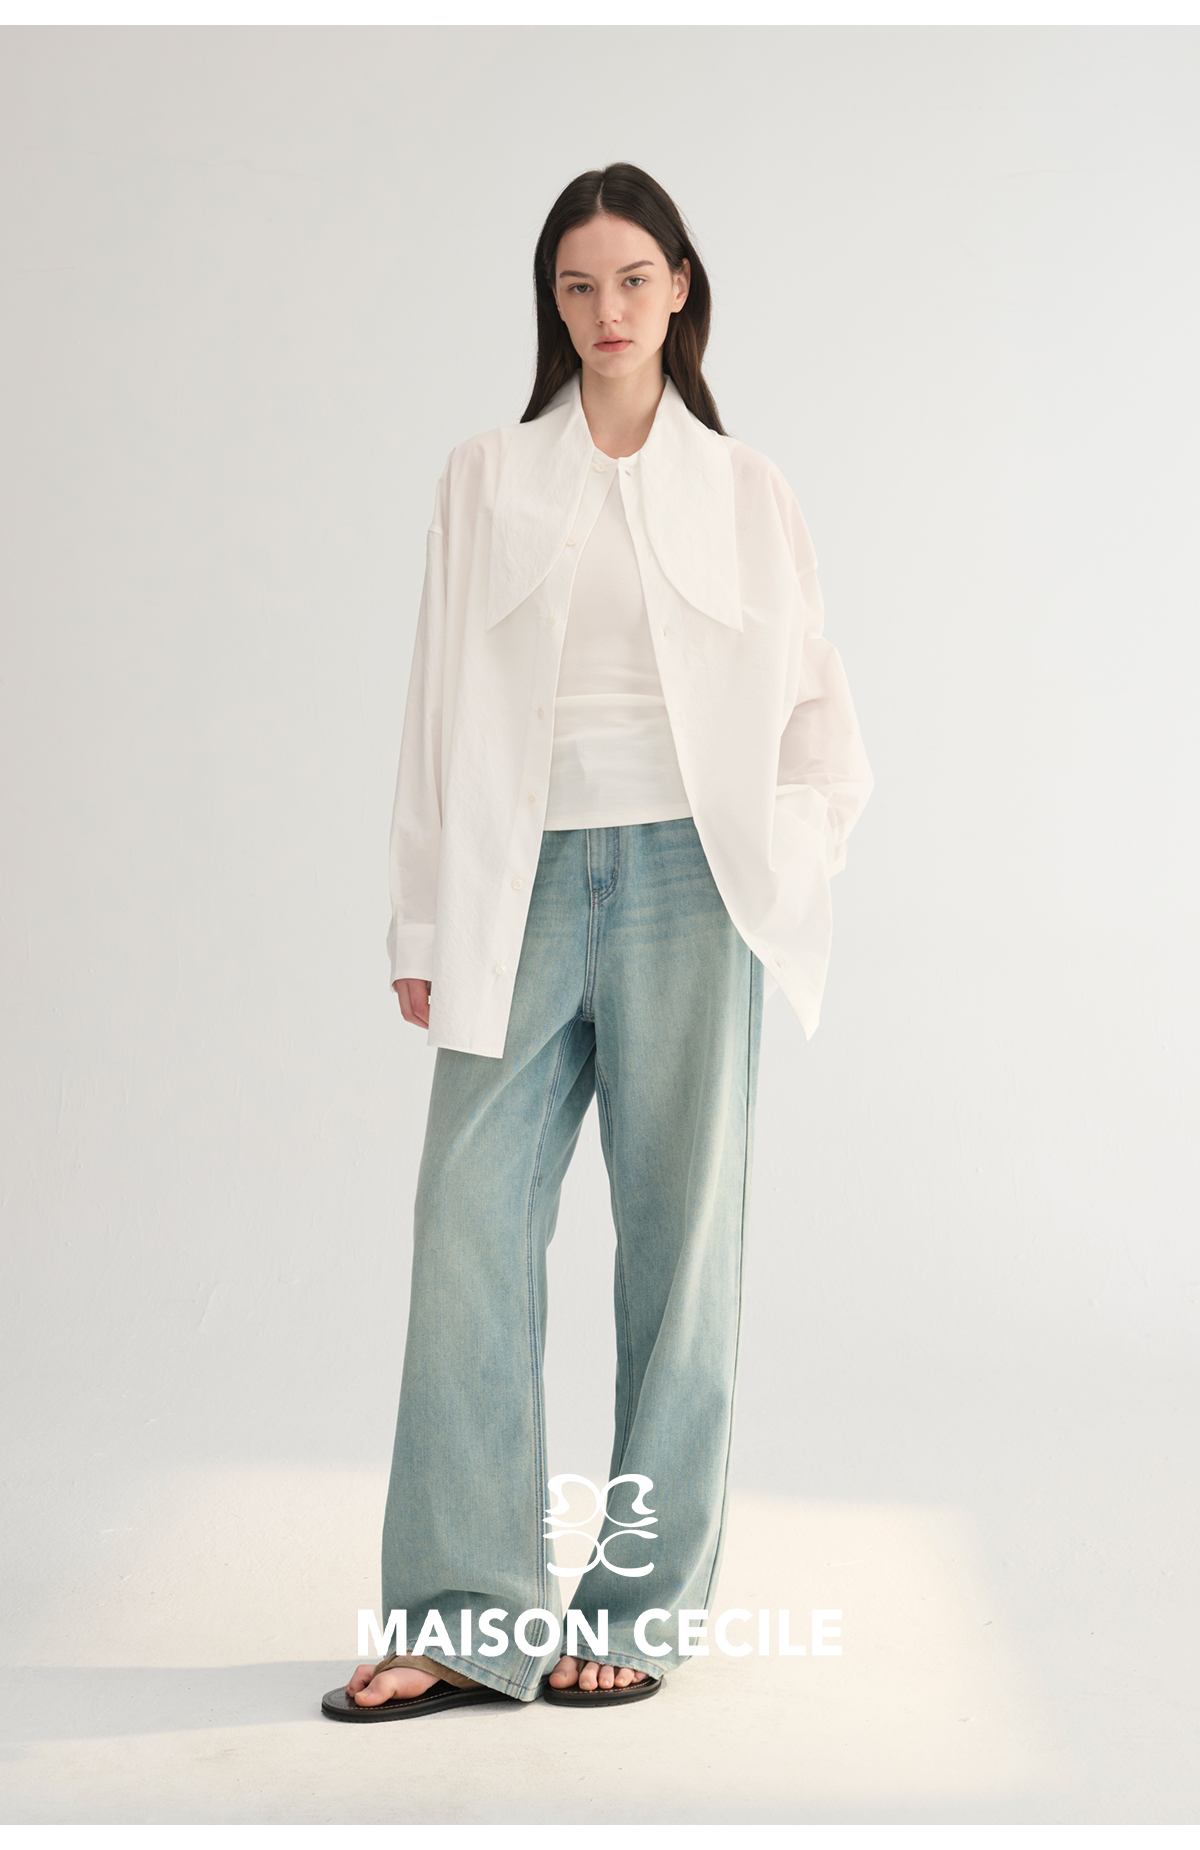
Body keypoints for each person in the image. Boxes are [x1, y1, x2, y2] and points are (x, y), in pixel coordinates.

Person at [321, 163, 873, 1723]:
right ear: (552, 305)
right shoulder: (484, 478)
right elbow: (436, 704)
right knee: (465, 1227)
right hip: (518, 882)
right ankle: (461, 1613)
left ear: (680, 287)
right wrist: (423, 915)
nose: (607, 309)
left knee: (679, 1250)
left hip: (695, 883)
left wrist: (782, 859)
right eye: (578, 285)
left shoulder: (748, 490)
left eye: (633, 279)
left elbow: (820, 716)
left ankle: (638, 1604)